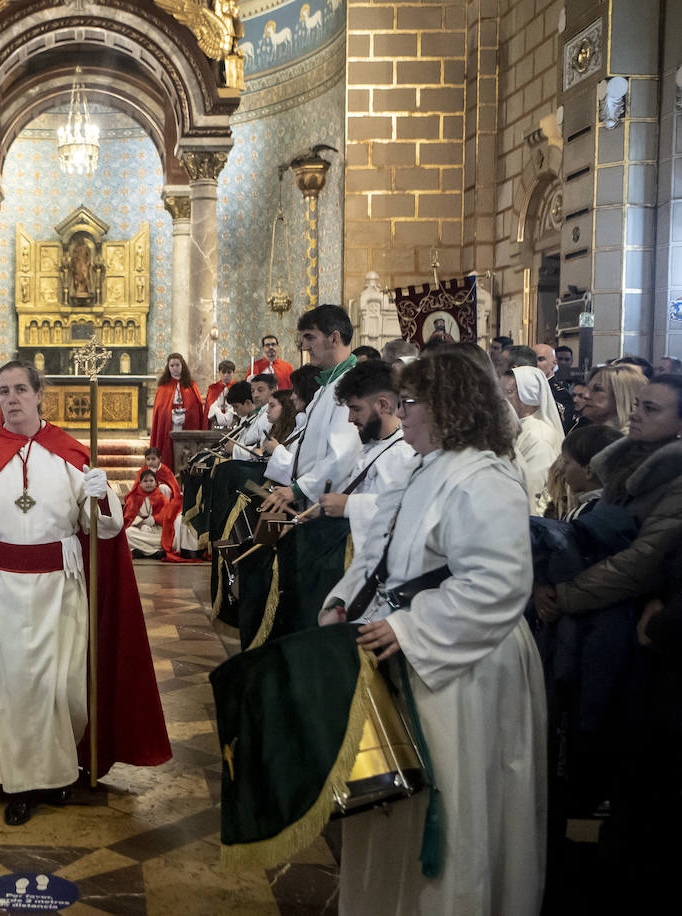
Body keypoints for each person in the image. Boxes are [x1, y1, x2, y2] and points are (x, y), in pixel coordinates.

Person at [318, 349, 546, 915]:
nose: (404, 413)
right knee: (398, 804)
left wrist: (410, 628)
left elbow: (497, 585)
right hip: (412, 647)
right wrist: (346, 599)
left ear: (448, 408)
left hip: (463, 663)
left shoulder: (485, 478)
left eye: (412, 403)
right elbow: (381, 551)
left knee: (453, 798)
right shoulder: (428, 465)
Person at [0, 359, 171, 825]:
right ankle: (17, 781)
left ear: (40, 395)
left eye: (22, 389)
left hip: (59, 588)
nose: (13, 399)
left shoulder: (71, 454)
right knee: (10, 689)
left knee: (60, 688)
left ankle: (59, 770)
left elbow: (101, 531)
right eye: (4, 391)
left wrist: (103, 497)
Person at [534, 376, 682, 622]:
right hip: (594, 600)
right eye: (636, 405)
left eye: (650, 409)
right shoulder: (622, 463)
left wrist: (564, 595)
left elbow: (641, 562)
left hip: (629, 613)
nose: (636, 414)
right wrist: (543, 580)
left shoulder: (675, 479)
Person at [261, 304, 363, 514]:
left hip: (328, 507)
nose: (304, 347)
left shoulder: (353, 384)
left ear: (334, 338)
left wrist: (297, 490)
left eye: (310, 337)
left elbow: (342, 456)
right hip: (309, 501)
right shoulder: (326, 386)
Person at [314, 359, 417, 558]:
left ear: (383, 405)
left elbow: (404, 512)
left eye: (356, 409)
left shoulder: (402, 453)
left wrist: (348, 506)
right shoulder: (374, 445)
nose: (350, 419)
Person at [505, 365, 566, 515]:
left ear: (529, 395)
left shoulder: (538, 436)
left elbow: (534, 492)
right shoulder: (521, 427)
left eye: (509, 392)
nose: (502, 399)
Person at [149, 353, 205, 472]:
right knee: (169, 449)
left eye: (177, 365)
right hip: (170, 425)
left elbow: (196, 408)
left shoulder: (191, 385)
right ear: (168, 367)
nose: (175, 368)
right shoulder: (163, 387)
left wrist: (187, 415)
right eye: (172, 365)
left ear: (182, 365)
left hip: (187, 425)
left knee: (185, 452)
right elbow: (160, 410)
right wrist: (171, 415)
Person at [123, 468, 177, 558]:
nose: (148, 483)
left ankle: (140, 550)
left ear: (156, 483)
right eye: (145, 481)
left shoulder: (161, 497)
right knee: (128, 533)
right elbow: (128, 517)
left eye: (151, 481)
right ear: (140, 483)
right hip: (139, 529)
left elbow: (167, 516)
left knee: (167, 538)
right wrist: (139, 522)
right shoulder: (133, 497)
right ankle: (153, 552)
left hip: (156, 530)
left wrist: (154, 519)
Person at [579, 364, 647, 433]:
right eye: (587, 389)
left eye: (597, 389)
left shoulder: (629, 440)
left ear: (622, 397)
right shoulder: (586, 432)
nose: (585, 396)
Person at [534, 343, 576, 426]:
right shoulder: (530, 388)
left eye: (541, 359)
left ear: (554, 363)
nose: (536, 364)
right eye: (532, 360)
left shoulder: (559, 394)